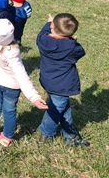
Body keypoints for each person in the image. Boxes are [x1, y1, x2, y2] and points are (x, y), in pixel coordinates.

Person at [0, 1, 48, 147]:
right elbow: (21, 76)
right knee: (9, 110)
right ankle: (6, 137)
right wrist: (33, 97)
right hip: (11, 88)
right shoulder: (12, 52)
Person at [37, 13, 89, 146]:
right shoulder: (72, 46)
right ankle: (45, 133)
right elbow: (81, 52)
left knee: (64, 106)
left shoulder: (43, 40)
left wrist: (48, 23)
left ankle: (69, 136)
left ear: (52, 26)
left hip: (48, 80)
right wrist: (71, 39)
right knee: (56, 108)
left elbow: (42, 33)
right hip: (62, 85)